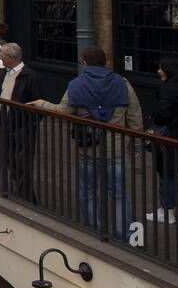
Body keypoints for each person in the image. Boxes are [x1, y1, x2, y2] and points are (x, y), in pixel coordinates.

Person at [32, 45, 143, 238]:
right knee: (119, 194)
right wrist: (137, 143)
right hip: (115, 148)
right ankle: (125, 235)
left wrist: (40, 103)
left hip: (89, 148)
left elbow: (63, 111)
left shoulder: (76, 84)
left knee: (88, 191)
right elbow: (135, 117)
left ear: (84, 63)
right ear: (105, 61)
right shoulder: (122, 83)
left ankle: (93, 230)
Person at [0, 43, 42, 202]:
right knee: (9, 160)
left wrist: (28, 124)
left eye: (3, 55)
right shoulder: (2, 74)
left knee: (23, 163)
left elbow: (37, 104)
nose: (0, 58)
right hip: (5, 124)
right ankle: (22, 194)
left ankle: (26, 198)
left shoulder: (30, 76)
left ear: (11, 58)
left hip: (22, 128)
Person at [149, 55, 178, 224]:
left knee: (167, 173)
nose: (159, 71)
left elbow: (163, 115)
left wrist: (155, 119)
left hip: (172, 138)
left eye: (162, 68)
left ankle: (167, 210)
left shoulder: (168, 89)